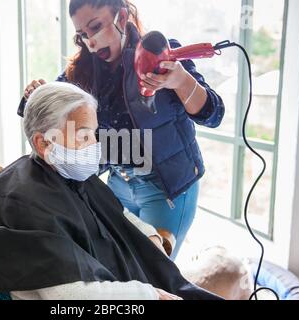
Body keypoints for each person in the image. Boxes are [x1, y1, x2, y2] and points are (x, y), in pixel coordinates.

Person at [0, 82, 221, 300]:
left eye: (93, 134)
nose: (94, 146)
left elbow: (113, 214)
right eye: (83, 136)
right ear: (42, 143)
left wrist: (148, 234)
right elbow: (70, 294)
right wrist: (150, 296)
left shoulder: (71, 174)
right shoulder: (27, 202)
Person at [18, 0, 225, 259]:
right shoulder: (83, 69)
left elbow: (214, 114)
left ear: (123, 16)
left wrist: (181, 81)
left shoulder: (162, 55)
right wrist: (34, 93)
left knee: (155, 272)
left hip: (167, 190)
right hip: (118, 183)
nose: (90, 42)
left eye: (96, 27)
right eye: (82, 35)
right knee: (118, 264)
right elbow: (51, 102)